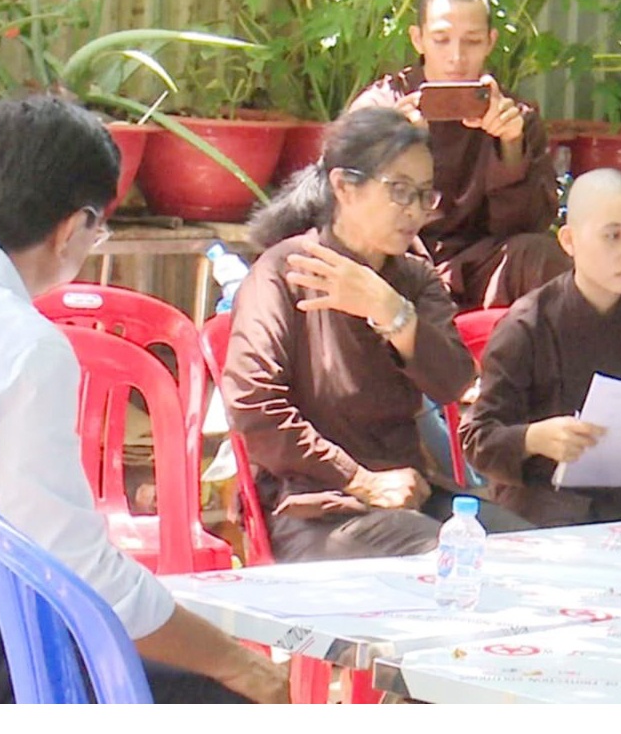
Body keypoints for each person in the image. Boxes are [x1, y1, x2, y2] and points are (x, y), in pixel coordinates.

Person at [0, 95, 288, 703]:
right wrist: (241, 667)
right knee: (231, 695)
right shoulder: (21, 343)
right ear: (73, 228)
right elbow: (76, 573)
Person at [226, 107, 529, 562]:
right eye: (399, 191)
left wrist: (390, 312)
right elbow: (254, 403)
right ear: (345, 187)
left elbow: (452, 381)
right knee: (454, 559)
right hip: (317, 509)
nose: (413, 211)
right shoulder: (283, 272)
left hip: (410, 497)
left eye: (424, 196)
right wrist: (359, 479)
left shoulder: (414, 279)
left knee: (537, 549)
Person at [460, 168, 621, 527]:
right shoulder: (528, 325)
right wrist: (533, 438)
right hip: (546, 508)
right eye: (613, 236)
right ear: (569, 241)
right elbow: (478, 437)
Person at [348, 0, 570, 310]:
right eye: (441, 40)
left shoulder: (513, 115)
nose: (456, 56)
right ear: (418, 39)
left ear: (490, 42)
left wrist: (511, 149)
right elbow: (341, 208)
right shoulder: (381, 106)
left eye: (471, 41)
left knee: (540, 256)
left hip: (478, 264)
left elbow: (529, 227)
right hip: (399, 259)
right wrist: (391, 145)